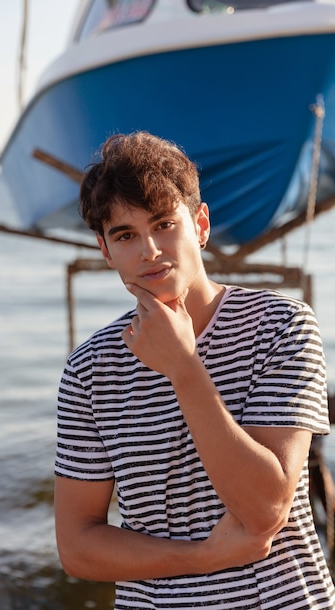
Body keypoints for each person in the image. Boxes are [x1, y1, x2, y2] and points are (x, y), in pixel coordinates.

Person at [54, 131, 335, 608]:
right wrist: (203, 557)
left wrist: (184, 367)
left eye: (164, 224)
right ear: (106, 251)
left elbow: (265, 510)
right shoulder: (89, 369)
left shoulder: (281, 326)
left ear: (200, 225)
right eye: (125, 235)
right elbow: (78, 548)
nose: (149, 250)